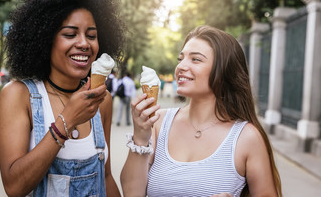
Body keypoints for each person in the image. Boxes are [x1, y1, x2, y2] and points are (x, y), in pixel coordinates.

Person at [0, 0, 125, 197]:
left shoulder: (102, 102)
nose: (84, 43)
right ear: (45, 39)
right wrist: (68, 120)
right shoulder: (18, 95)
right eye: (70, 34)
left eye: (91, 35)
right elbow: (14, 187)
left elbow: (105, 177)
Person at [120, 25, 282, 197]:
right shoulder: (158, 122)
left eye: (195, 59)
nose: (181, 66)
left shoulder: (247, 137)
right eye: (180, 59)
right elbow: (131, 193)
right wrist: (140, 137)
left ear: (223, 71)